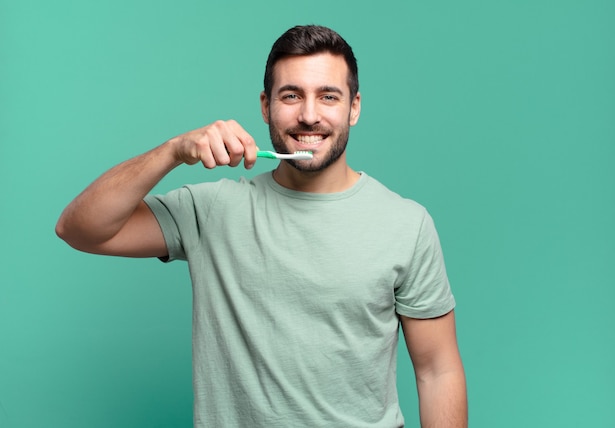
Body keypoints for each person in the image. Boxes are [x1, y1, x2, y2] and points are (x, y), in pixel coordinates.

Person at [56, 25, 467, 427]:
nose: (309, 115)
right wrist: (173, 151)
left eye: (328, 96)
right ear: (266, 106)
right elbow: (79, 229)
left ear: (353, 107)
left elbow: (437, 371)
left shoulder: (406, 224)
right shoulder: (212, 210)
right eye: (291, 96)